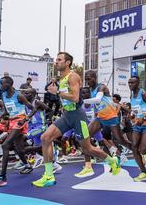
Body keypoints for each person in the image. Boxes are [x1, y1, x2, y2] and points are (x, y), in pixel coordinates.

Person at [31, 52, 120, 188]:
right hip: (67, 116)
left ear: (67, 63)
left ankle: (112, 161)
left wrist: (58, 93)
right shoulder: (61, 79)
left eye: (59, 60)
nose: (56, 62)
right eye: (56, 59)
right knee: (45, 138)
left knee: (88, 148)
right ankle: (49, 176)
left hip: (78, 117)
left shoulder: (73, 77)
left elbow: (76, 98)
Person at [0, 76, 35, 186]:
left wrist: (26, 119)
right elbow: (8, 110)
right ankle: (27, 165)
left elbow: (33, 109)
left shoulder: (19, 95)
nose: (0, 86)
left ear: (8, 84)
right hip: (11, 121)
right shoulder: (3, 95)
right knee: (19, 148)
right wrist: (1, 115)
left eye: (2, 84)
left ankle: (2, 177)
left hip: (20, 121)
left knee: (5, 145)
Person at [128, 76, 146, 182]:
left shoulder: (143, 93)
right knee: (134, 148)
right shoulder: (131, 95)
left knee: (143, 150)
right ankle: (144, 173)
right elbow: (135, 109)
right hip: (137, 124)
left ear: (138, 83)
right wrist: (132, 115)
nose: (130, 85)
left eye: (132, 83)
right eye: (129, 83)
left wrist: (144, 118)